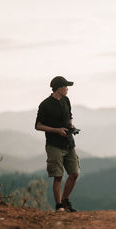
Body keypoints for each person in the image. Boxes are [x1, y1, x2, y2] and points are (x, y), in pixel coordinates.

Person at [35, 76, 80, 212]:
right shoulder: (45, 105)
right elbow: (38, 126)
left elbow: (69, 116)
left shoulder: (66, 100)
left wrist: (71, 126)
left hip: (69, 143)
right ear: (59, 88)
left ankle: (65, 200)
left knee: (74, 173)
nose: (67, 89)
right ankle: (59, 206)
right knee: (58, 176)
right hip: (54, 145)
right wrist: (56, 130)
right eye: (66, 87)